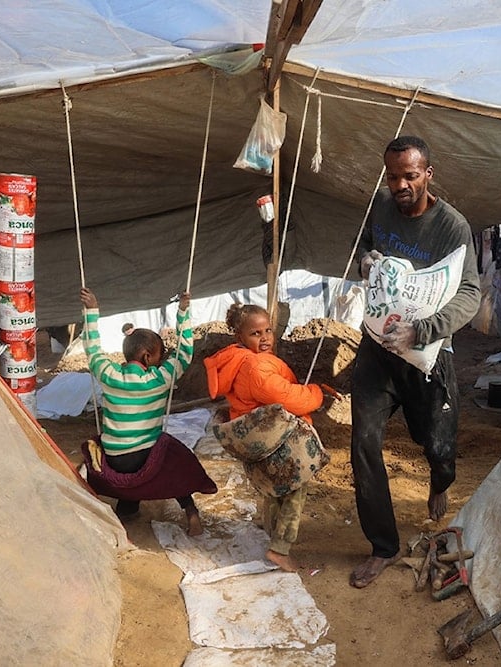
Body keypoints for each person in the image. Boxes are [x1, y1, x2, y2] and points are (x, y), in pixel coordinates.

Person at [348, 135, 481, 588]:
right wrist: (364, 261)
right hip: (378, 347)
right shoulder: (380, 208)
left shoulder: (452, 227)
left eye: (409, 175)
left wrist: (422, 331)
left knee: (437, 444)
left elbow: (470, 293)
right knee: (364, 441)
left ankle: (440, 481)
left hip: (427, 353)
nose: (400, 184)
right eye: (393, 176)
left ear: (428, 173)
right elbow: (360, 251)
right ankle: (382, 546)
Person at [203, 303, 338, 572]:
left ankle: (271, 532)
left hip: (260, 442)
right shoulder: (256, 369)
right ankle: (280, 549)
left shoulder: (237, 361)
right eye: (256, 333)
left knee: (274, 489)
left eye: (268, 330)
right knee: (294, 491)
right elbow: (288, 398)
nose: (264, 338)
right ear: (240, 337)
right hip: (276, 440)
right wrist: (315, 393)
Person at [79, 287, 217, 535]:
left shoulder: (109, 375)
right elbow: (185, 354)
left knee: (120, 464)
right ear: (147, 356)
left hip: (115, 458)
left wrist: (92, 311)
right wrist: (183, 313)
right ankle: (190, 510)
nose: (162, 361)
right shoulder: (160, 378)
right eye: (159, 356)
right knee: (175, 462)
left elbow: (92, 349)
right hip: (145, 456)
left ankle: (127, 509)